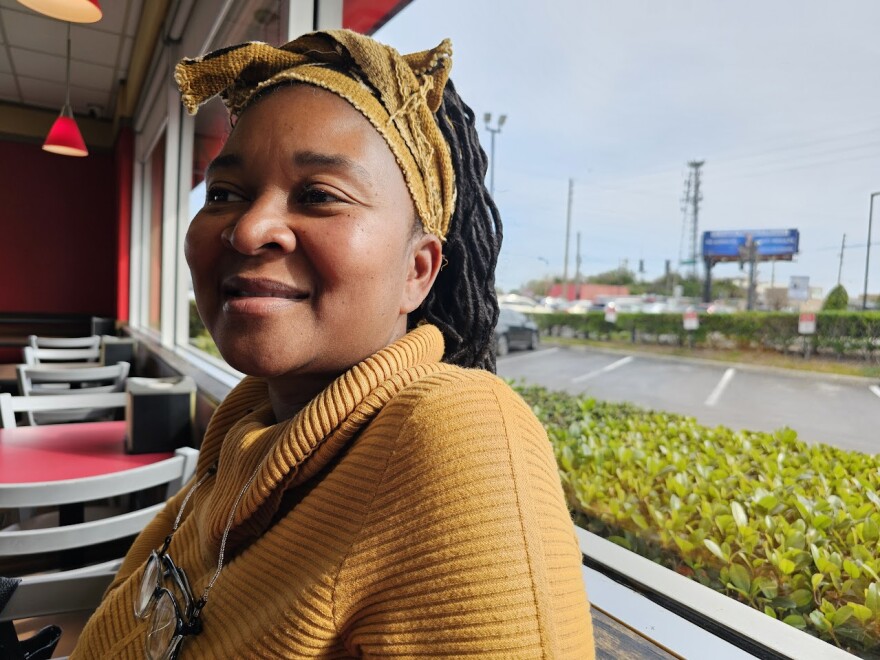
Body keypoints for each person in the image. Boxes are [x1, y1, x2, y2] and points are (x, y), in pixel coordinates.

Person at [72, 29, 593, 659]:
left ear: (417, 272)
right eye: (223, 194)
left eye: (320, 195)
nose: (248, 228)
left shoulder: (457, 435)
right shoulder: (245, 436)